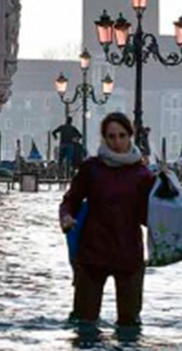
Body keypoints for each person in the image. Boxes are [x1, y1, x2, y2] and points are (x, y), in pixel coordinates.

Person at [59, 112, 155, 331]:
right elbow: (71, 200)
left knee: (129, 325)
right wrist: (66, 217)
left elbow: (148, 216)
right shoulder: (91, 168)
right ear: (104, 138)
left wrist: (165, 190)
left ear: (130, 136)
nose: (117, 142)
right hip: (93, 252)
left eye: (122, 136)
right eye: (111, 136)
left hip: (129, 254)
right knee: (85, 322)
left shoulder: (142, 174)